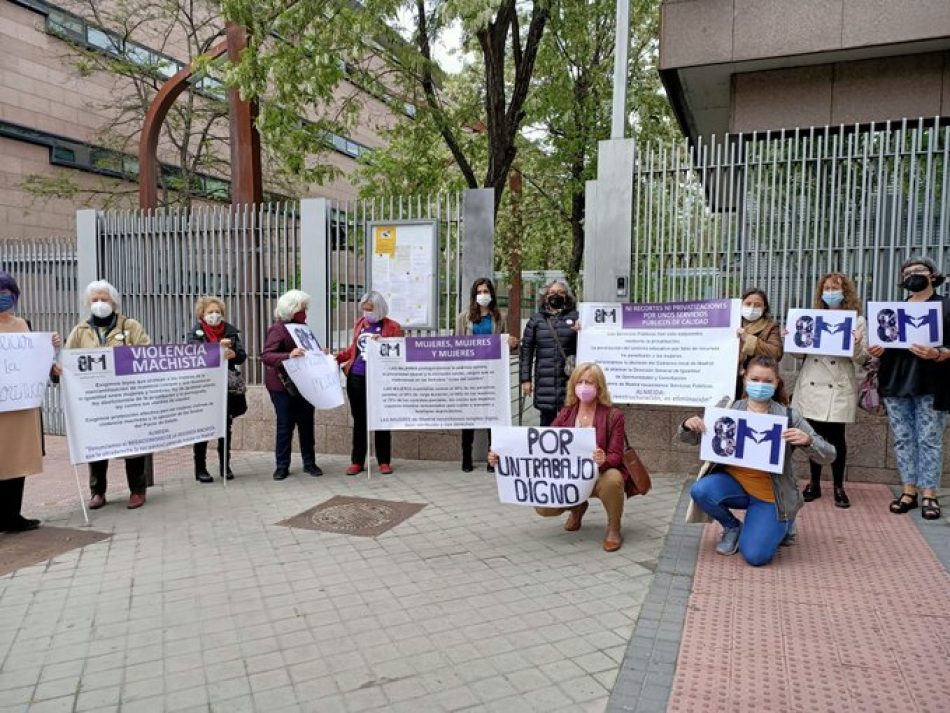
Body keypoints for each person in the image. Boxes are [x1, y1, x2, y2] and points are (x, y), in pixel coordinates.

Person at [680, 356, 835, 566]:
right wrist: (689, 425)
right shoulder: (729, 408)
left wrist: (808, 441)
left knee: (756, 556)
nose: (760, 385)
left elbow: (829, 455)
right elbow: (693, 438)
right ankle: (733, 527)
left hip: (771, 494)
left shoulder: (788, 416)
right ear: (745, 379)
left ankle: (785, 518)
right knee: (700, 490)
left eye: (767, 381)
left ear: (777, 382)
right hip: (734, 484)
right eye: (755, 379)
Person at [489, 363, 628, 551]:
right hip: (571, 478)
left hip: (599, 476)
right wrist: (502, 456)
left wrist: (604, 460)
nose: (584, 386)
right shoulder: (567, 413)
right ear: (573, 385)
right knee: (543, 508)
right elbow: (541, 445)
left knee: (614, 479)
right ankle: (577, 507)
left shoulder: (614, 416)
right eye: (580, 381)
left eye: (589, 382)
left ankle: (613, 528)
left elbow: (616, 456)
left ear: (599, 387)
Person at [869, 257, 950, 520]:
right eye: (908, 272)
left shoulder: (945, 306)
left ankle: (929, 494)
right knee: (903, 438)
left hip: (931, 383)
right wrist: (876, 350)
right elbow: (880, 345)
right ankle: (908, 490)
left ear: (933, 275)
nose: (913, 275)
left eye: (919, 271)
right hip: (895, 381)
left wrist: (938, 354)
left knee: (929, 439)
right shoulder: (891, 310)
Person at [65, 280, 151, 509]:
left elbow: (147, 353)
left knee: (132, 445)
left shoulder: (130, 326)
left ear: (114, 302)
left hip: (126, 398)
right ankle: (97, 492)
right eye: (95, 300)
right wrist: (59, 370)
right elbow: (68, 359)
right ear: (88, 303)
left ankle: (137, 490)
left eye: (104, 299)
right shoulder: (80, 330)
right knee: (97, 444)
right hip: (95, 400)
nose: (100, 304)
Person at [790, 273, 868, 508]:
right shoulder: (810, 318)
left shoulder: (857, 321)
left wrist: (855, 343)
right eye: (826, 288)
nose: (830, 292)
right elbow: (797, 354)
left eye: (835, 288)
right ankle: (813, 483)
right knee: (812, 435)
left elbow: (862, 358)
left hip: (838, 385)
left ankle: (838, 486)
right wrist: (791, 340)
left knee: (836, 438)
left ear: (846, 292)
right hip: (811, 382)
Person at [0, 272, 61, 532]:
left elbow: (31, 361)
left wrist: (51, 352)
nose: (4, 298)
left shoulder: (23, 325)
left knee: (18, 460)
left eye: (8, 292)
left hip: (20, 407)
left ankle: (13, 516)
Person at [455, 277, 520, 473]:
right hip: (470, 375)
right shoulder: (463, 318)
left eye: (486, 291)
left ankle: (493, 457)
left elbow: (509, 344)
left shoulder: (500, 318)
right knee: (469, 416)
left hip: (492, 374)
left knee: (493, 417)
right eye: (479, 291)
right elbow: (456, 345)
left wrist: (513, 343)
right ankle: (466, 456)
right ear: (474, 295)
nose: (483, 295)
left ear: (491, 294)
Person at [336, 291, 403, 475]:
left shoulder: (393, 327)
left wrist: (384, 343)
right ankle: (357, 461)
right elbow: (353, 349)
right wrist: (337, 357)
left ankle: (384, 461)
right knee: (360, 421)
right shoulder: (360, 324)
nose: (366, 314)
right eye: (364, 310)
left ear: (380, 309)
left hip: (380, 380)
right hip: (357, 377)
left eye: (370, 310)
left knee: (381, 419)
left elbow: (400, 353)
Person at [262, 290, 324, 481]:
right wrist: (288, 355)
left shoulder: (303, 327)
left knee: (306, 425)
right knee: (285, 425)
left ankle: (309, 463)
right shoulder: (278, 329)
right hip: (283, 386)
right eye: (302, 308)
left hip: (304, 384)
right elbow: (266, 356)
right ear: (292, 309)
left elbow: (309, 351)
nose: (305, 312)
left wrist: (320, 353)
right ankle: (282, 466)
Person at [187, 296, 247, 482]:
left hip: (225, 387)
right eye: (210, 312)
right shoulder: (195, 333)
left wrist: (233, 354)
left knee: (225, 426)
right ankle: (200, 469)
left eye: (217, 312)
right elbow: (192, 352)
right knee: (202, 427)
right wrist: (215, 349)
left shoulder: (230, 332)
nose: (214, 315)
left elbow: (242, 355)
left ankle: (224, 466)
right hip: (203, 385)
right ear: (202, 314)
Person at [520, 279, 579, 426]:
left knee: (569, 424)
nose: (556, 295)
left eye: (561, 292)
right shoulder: (536, 320)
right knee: (547, 426)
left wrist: (582, 330)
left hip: (569, 380)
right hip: (545, 381)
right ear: (545, 296)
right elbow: (526, 350)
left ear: (567, 296)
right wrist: (525, 379)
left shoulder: (577, 318)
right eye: (552, 292)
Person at [736, 288, 783, 399]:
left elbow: (776, 353)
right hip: (729, 381)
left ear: (764, 307)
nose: (752, 308)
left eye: (757, 305)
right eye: (748, 303)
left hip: (756, 384)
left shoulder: (770, 326)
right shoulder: (731, 322)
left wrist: (748, 339)